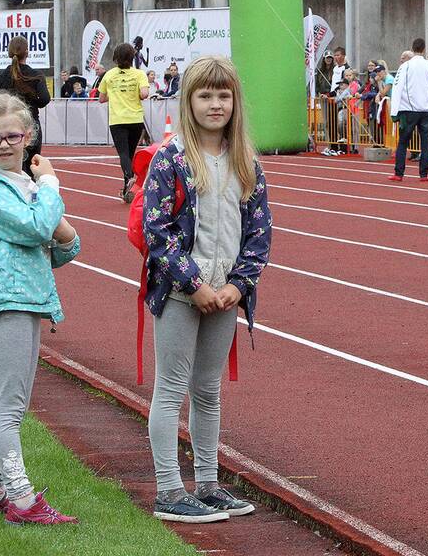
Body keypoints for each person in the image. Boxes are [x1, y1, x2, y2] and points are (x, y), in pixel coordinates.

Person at [142, 55, 272, 524]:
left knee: (208, 390)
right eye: (205, 95)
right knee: (171, 387)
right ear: (188, 100)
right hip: (181, 293)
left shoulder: (246, 161)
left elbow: (259, 232)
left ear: (236, 101)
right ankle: (168, 489)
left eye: (224, 95)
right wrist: (193, 284)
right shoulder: (172, 158)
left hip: (226, 295)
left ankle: (209, 483)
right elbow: (157, 230)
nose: (215, 104)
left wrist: (239, 285)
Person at [0, 92, 81, 527]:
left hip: (28, 298)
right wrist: (51, 187)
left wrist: (62, 232)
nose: (6, 143)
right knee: (10, 409)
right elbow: (35, 228)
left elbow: (59, 246)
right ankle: (22, 499)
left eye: (13, 135)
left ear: (27, 136)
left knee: (9, 405)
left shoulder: (21, 186)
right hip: (7, 301)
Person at [387, 38, 428, 182]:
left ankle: (399, 173)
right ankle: (423, 174)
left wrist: (394, 111)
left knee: (403, 141)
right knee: (426, 142)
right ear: (424, 49)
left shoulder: (405, 66)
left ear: (412, 48)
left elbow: (397, 87)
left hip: (410, 109)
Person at [99, 42, 150, 202]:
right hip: (135, 119)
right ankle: (127, 188)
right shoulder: (139, 74)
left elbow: (101, 98)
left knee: (123, 154)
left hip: (118, 120)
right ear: (132, 57)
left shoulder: (109, 75)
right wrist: (138, 92)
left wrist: (114, 94)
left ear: (116, 58)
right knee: (130, 153)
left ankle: (129, 178)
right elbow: (144, 94)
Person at [0, 36, 51, 177]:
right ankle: (31, 194)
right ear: (27, 52)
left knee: (11, 165)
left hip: (9, 124)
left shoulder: (2, 76)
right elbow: (45, 99)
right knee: (32, 164)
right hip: (30, 123)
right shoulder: (36, 75)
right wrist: (33, 102)